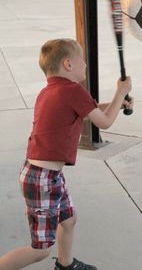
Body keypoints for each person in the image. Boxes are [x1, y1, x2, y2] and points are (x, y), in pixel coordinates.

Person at [0, 39, 133, 270]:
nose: (84, 64)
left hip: (44, 175)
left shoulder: (51, 91)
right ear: (68, 64)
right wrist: (121, 92)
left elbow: (88, 110)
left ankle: (65, 264)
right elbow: (105, 122)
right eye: (81, 59)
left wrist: (118, 102)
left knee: (68, 220)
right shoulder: (72, 91)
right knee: (39, 250)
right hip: (42, 178)